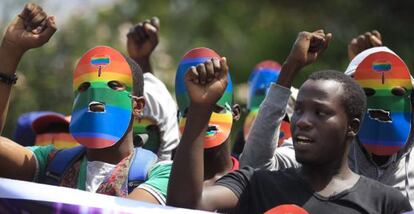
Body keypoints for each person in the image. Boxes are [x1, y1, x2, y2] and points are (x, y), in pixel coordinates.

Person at [167, 30, 412, 213]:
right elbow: (185, 206)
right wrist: (200, 110)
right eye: (300, 111)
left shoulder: (387, 203)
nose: (303, 121)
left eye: (321, 113)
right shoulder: (255, 184)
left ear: (353, 126)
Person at [0, 3, 170, 205]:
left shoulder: (161, 174)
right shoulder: (51, 164)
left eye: (113, 86)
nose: (95, 98)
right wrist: (11, 49)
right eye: (84, 87)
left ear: (138, 106)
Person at [345, 31, 414, 206]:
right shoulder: (327, 154)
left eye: (396, 93)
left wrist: (385, 55)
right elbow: (265, 163)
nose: (382, 104)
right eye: (368, 93)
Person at [173, 47, 240, 186]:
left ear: (235, 113)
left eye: (215, 109)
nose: (204, 120)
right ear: (178, 118)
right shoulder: (165, 177)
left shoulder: (248, 184)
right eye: (192, 113)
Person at [127, 17, 180, 161]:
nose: (139, 140)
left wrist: (140, 60)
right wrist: (140, 59)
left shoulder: (164, 177)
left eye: (149, 133)